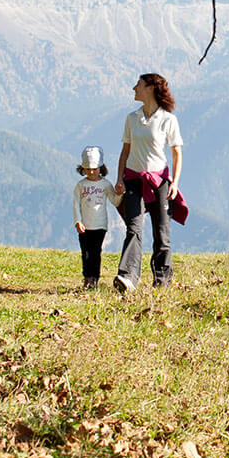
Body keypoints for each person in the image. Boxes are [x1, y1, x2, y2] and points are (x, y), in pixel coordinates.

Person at [113, 73, 183, 293]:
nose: (134, 88)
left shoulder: (168, 119)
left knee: (161, 230)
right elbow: (125, 152)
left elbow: (176, 153)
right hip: (134, 179)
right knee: (133, 228)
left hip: (159, 181)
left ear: (150, 88)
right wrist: (119, 178)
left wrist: (175, 182)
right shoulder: (131, 119)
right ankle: (128, 276)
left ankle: (162, 279)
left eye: (138, 85)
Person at [73, 145, 122, 289]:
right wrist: (77, 221)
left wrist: (119, 193)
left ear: (101, 167)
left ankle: (94, 278)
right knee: (86, 252)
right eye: (88, 169)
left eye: (94, 169)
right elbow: (76, 204)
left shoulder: (105, 185)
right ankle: (87, 277)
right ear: (83, 169)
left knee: (95, 252)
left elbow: (115, 201)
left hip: (100, 225)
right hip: (85, 225)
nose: (91, 172)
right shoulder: (81, 185)